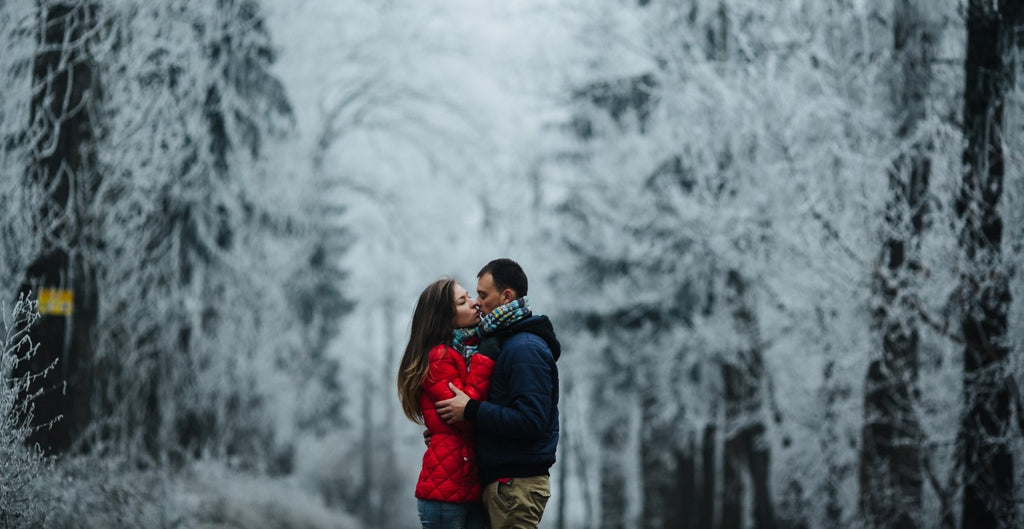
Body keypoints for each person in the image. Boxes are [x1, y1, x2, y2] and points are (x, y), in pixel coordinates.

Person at [436, 258, 561, 529]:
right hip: (507, 485)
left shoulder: (524, 348)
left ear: (506, 296)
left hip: (515, 485)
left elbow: (531, 421)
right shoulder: (505, 343)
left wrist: (471, 409)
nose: (477, 302)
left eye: (483, 295)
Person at [398, 278, 497, 529]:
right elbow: (462, 413)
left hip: (464, 486)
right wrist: (485, 359)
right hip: (445, 493)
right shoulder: (438, 356)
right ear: (443, 318)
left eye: (469, 296)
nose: (475, 304)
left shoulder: (461, 350)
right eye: (463, 302)